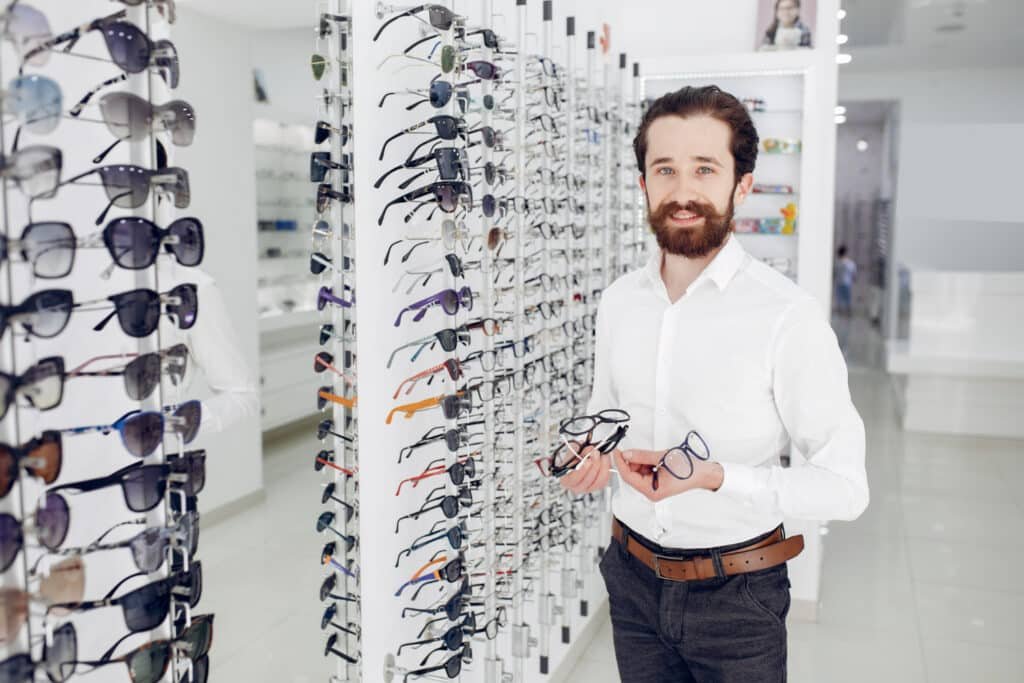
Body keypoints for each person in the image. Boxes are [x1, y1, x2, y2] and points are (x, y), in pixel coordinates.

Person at [560, 85, 868, 682]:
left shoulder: (787, 316)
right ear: (644, 182)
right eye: (665, 169)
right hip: (630, 579)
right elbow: (605, 416)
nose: (682, 192)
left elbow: (846, 488)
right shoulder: (620, 302)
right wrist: (589, 460)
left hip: (737, 597)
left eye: (705, 169)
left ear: (741, 185)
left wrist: (718, 478)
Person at [835, 244, 857, 316]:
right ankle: (848, 312)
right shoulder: (849, 263)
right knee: (847, 298)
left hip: (839, 283)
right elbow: (853, 274)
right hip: (847, 283)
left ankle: (840, 312)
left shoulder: (837, 263)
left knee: (839, 298)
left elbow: (834, 273)